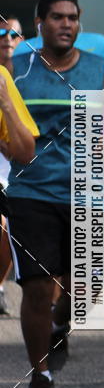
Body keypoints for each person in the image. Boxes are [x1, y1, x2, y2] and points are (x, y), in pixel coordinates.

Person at [7, 0, 104, 388]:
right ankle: (40, 378)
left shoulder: (100, 69)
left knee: (88, 290)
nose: (66, 24)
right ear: (40, 23)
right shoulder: (17, 69)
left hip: (87, 189)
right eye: (57, 17)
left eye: (73, 18)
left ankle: (61, 328)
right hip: (31, 191)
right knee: (38, 288)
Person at [0, 16, 24, 314]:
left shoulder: (32, 78)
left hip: (26, 166)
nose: (7, 38)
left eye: (13, 34)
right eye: (2, 33)